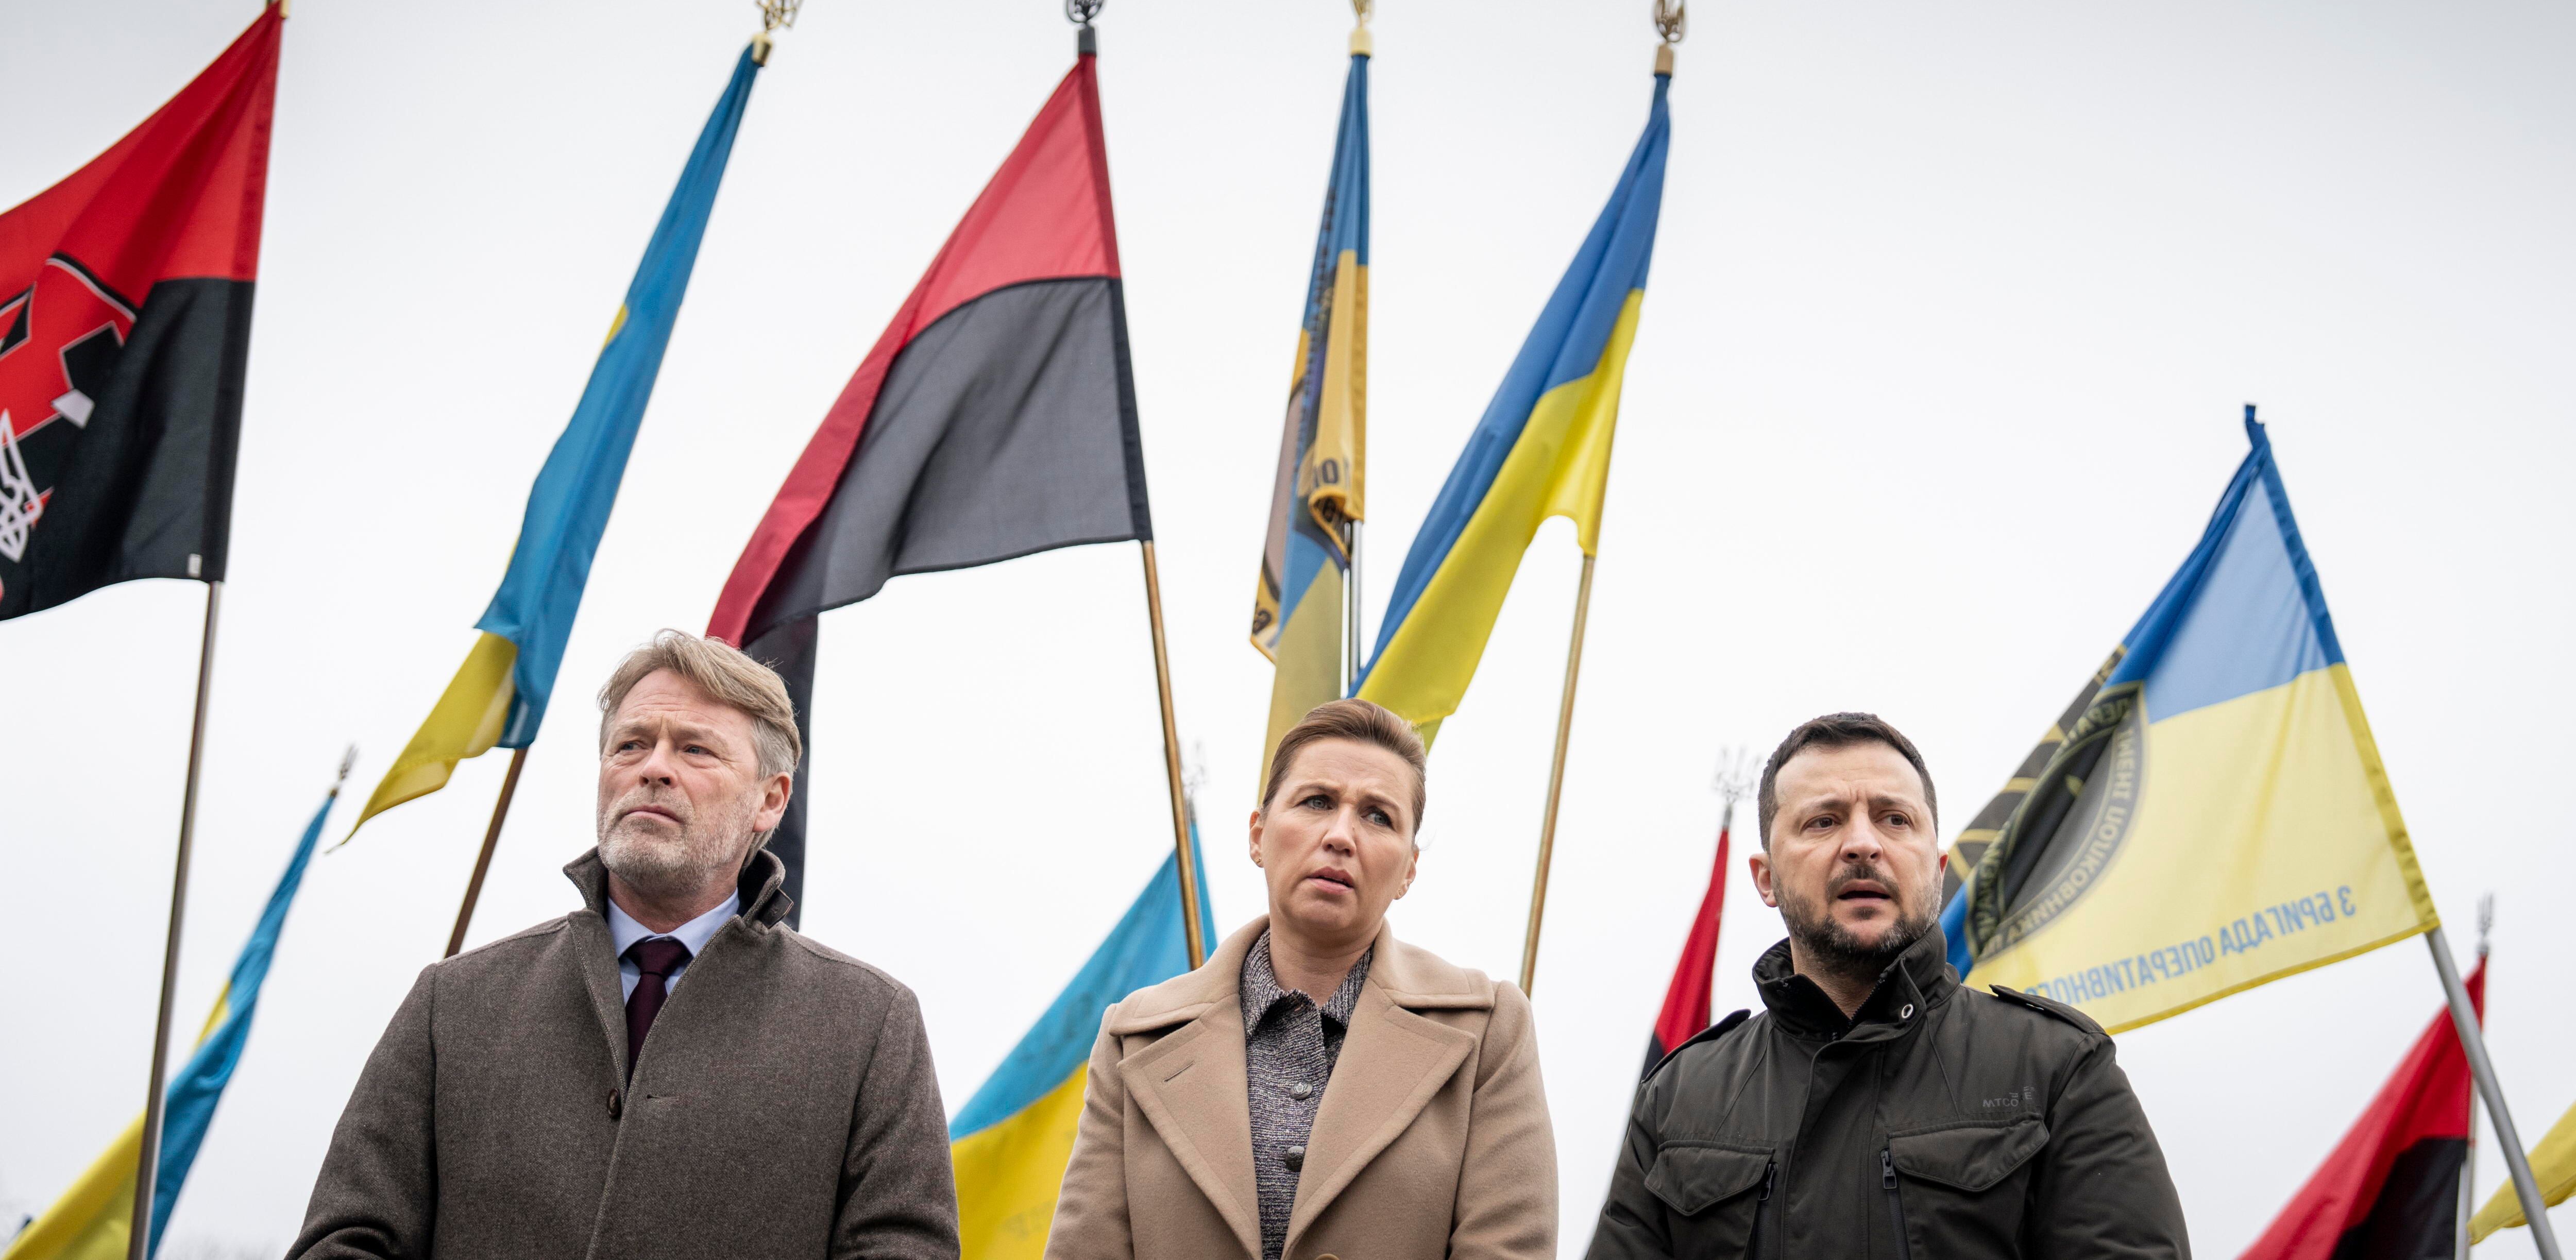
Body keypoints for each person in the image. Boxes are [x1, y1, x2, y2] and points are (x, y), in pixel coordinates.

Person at [289, 631, 959, 1260]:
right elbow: (346, 1241)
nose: (654, 769)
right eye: (632, 745)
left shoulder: (871, 1026)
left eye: (695, 749)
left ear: (771, 800)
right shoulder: (452, 1004)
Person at [1586, 712, 2189, 1260]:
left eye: (1893, 819)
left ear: (1935, 867)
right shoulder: (1678, 1100)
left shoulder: (2055, 1068)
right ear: (1765, 879)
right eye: (1822, 822)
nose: (1862, 844)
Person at [1045, 698, 1556, 1260]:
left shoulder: (1487, 1032)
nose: (1340, 835)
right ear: (1258, 836)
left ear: (1408, 868)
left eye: (1377, 815)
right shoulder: (1135, 1036)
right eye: (1316, 802)